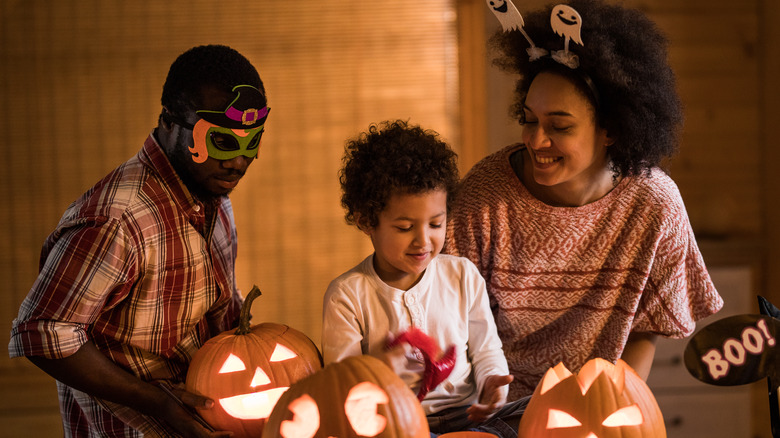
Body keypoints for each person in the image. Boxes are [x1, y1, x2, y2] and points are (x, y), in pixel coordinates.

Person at [445, 0, 724, 400]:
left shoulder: (655, 204)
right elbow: (448, 316)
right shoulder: (484, 196)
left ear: (610, 129)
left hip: (599, 405)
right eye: (529, 119)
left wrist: (607, 400)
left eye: (559, 125)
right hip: (493, 409)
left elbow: (648, 327)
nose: (536, 140)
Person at [8, 44, 270, 437]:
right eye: (222, 142)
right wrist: (157, 400)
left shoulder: (211, 194)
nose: (238, 162)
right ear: (169, 122)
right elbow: (43, 332)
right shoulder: (119, 218)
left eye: (251, 142)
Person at [322, 120, 528, 438]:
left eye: (435, 224)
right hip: (399, 423)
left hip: (470, 416)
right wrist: (378, 373)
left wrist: (492, 385)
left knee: (540, 408)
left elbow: (486, 348)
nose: (423, 241)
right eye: (405, 227)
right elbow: (339, 385)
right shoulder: (348, 295)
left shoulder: (462, 275)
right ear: (366, 221)